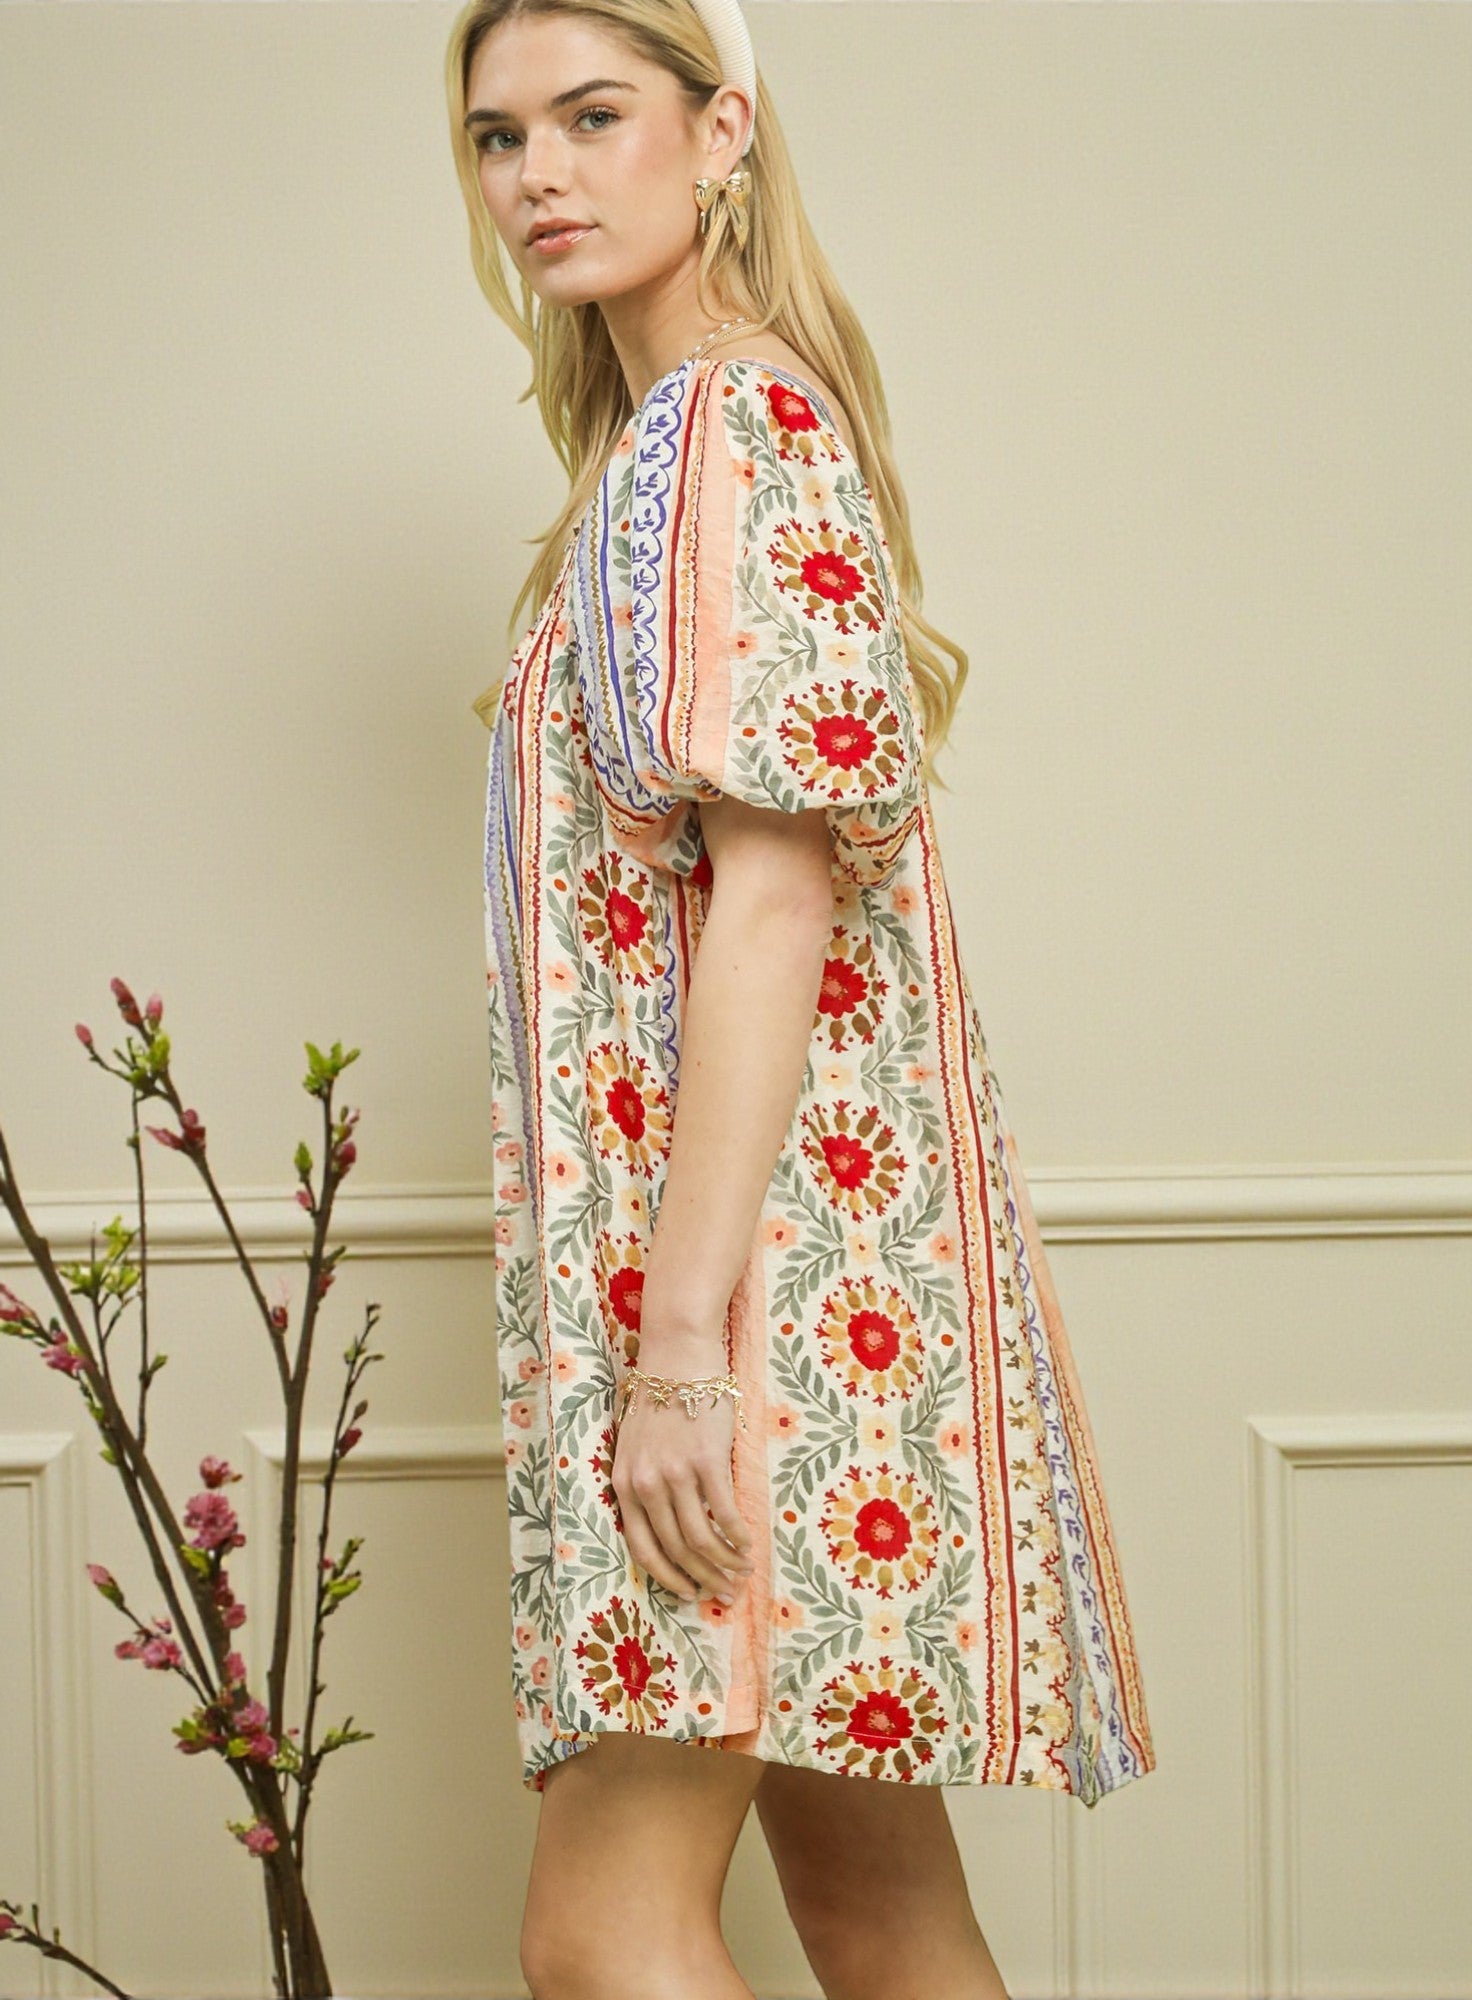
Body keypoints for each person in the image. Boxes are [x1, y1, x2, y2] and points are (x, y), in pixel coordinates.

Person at [448, 2, 1157, 1993]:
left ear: (721, 129)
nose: (541, 178)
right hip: (795, 1274)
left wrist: (679, 1345)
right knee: (880, 1915)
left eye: (594, 118)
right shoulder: (680, 444)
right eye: (500, 139)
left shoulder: (728, 429)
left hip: (740, 1297)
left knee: (604, 1931)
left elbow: (767, 910)